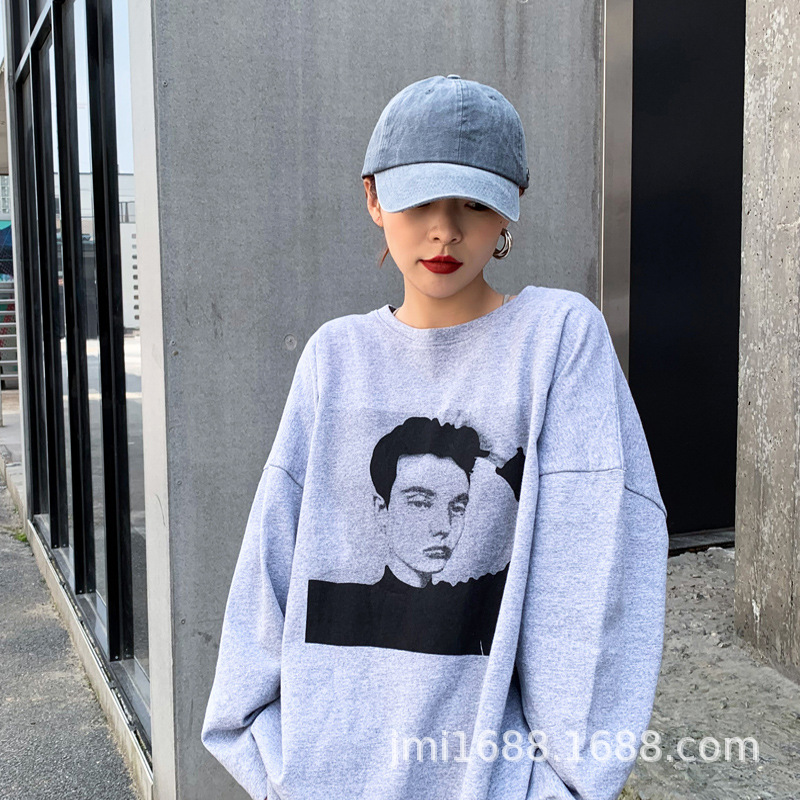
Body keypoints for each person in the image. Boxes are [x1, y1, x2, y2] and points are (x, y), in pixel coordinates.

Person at [201, 74, 669, 800]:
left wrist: (565, 785)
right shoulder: (335, 357)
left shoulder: (556, 340)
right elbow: (271, 568)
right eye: (420, 200)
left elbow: (597, 573)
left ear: (509, 209)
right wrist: (272, 766)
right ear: (373, 198)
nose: (445, 229)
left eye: (474, 203)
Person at [305, 415, 523, 656]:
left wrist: (498, 452)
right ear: (382, 510)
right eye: (420, 503)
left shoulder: (470, 606)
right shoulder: (330, 605)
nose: (443, 526)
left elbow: (543, 548)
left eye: (457, 507)